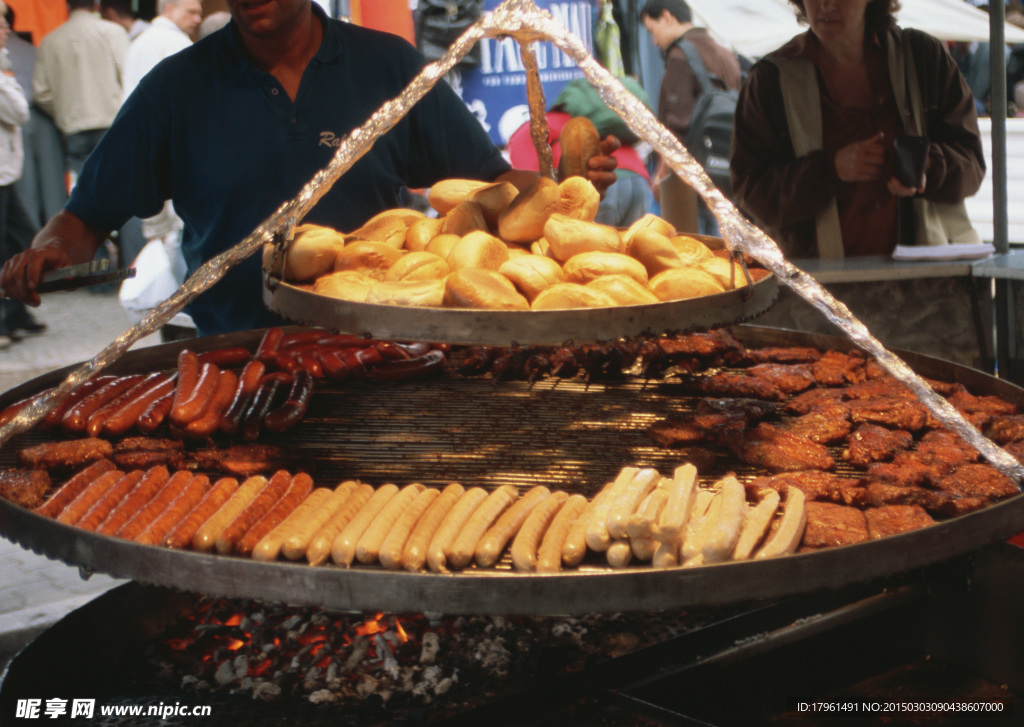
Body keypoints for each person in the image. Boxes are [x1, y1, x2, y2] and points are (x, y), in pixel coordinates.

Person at [0, 0, 618, 337]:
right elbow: (85, 216)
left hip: (379, 356)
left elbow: (494, 190)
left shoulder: (387, 68)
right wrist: (50, 249)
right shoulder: (178, 90)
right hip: (233, 361)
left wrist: (561, 188)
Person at [729, 0, 985, 260]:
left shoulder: (922, 58)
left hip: (923, 284)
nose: (826, 5)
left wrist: (928, 166)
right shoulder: (770, 80)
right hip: (819, 289)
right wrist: (830, 169)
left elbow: (972, 163)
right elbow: (751, 193)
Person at [118, 0, 203, 341]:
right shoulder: (175, 44)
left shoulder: (140, 43)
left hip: (152, 164)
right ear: (169, 8)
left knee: (169, 252)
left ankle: (175, 339)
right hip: (174, 168)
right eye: (191, 11)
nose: (197, 19)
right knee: (182, 259)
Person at [638, 0, 741, 236]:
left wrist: (662, 174)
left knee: (689, 247)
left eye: (652, 31)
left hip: (690, 179)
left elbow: (677, 125)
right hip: (726, 170)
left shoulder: (679, 55)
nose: (654, 41)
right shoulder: (725, 53)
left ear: (667, 17)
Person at [507, 76, 654, 228]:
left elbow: (529, 180)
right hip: (639, 181)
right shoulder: (601, 124)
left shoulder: (540, 125)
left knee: (589, 249)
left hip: (596, 185)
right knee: (629, 247)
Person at [0, 6, 45, 348]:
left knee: (20, 239)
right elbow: (18, 111)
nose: (5, 27)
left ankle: (17, 314)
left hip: (5, 172)